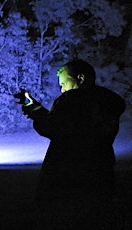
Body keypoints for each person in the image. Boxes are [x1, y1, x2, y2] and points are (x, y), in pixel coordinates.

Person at [22, 59, 125, 228]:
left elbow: (52, 127)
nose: (62, 89)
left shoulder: (70, 100)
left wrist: (35, 111)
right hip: (101, 168)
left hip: (66, 171)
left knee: (64, 216)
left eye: (63, 83)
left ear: (80, 79)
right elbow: (69, 126)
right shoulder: (107, 102)